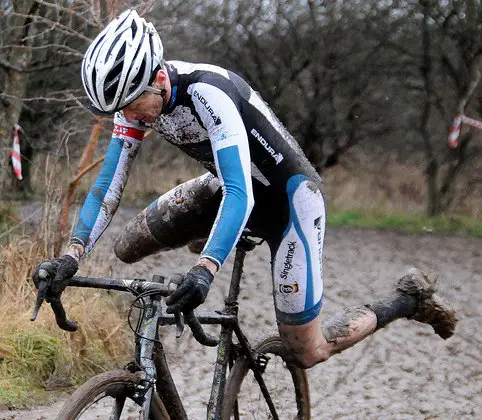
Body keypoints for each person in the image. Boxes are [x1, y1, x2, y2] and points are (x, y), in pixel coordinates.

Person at [33, 10, 456, 369]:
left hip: (288, 203)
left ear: (159, 77)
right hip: (223, 188)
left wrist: (205, 269)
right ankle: (214, 236)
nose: (127, 115)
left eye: (130, 103)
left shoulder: (209, 91)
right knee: (128, 246)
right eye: (117, 108)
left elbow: (242, 190)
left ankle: (407, 300)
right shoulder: (139, 102)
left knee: (306, 352)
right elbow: (108, 185)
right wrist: (71, 256)